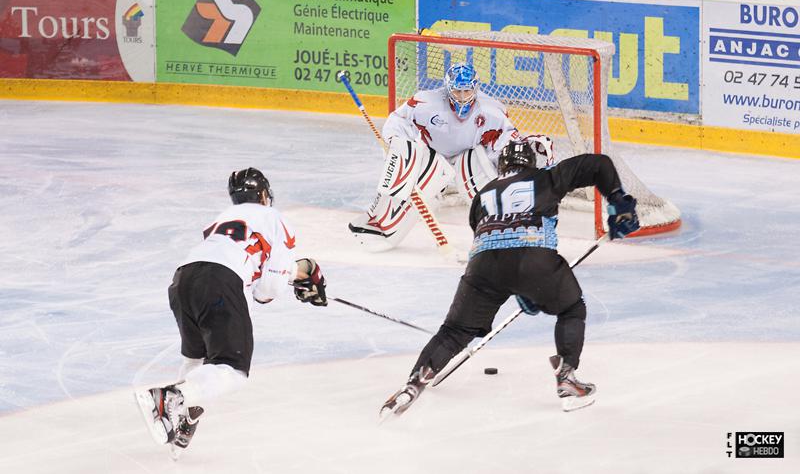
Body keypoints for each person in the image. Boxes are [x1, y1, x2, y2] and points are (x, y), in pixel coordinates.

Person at [380, 138, 640, 417]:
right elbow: (598, 163)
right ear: (531, 162)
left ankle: (413, 383)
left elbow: (491, 239)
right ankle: (567, 377)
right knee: (571, 307)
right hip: (534, 259)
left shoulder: (482, 196)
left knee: (454, 332)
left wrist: (519, 288)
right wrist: (618, 201)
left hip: (482, 267)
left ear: (502, 166)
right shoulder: (546, 177)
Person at [135, 167, 327, 456]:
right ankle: (169, 399)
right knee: (232, 369)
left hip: (183, 280)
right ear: (264, 194)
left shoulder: (221, 219)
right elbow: (267, 290)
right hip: (220, 281)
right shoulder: (275, 218)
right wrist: (294, 279)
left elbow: (248, 260)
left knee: (197, 360)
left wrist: (301, 272)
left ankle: (183, 421)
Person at [349, 62, 521, 250]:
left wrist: (506, 171)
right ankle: (381, 226)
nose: (463, 97)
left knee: (484, 184)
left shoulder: (492, 110)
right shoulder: (425, 102)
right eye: (457, 91)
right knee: (408, 176)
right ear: (448, 89)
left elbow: (505, 141)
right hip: (433, 154)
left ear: (475, 88)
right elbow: (399, 119)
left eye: (467, 91)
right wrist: (396, 142)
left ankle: (495, 230)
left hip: (468, 156)